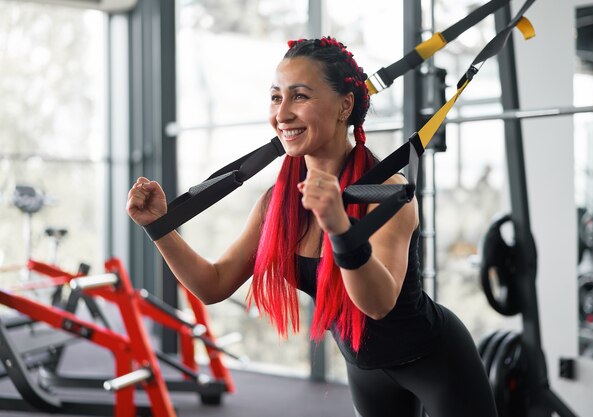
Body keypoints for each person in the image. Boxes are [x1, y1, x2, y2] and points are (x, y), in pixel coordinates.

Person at [127, 36, 497, 417]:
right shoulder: (278, 202)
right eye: (276, 97)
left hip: (435, 361)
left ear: (344, 106)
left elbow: (378, 305)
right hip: (365, 371)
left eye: (299, 96)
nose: (282, 113)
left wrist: (339, 227)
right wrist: (158, 227)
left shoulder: (388, 193)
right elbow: (213, 284)